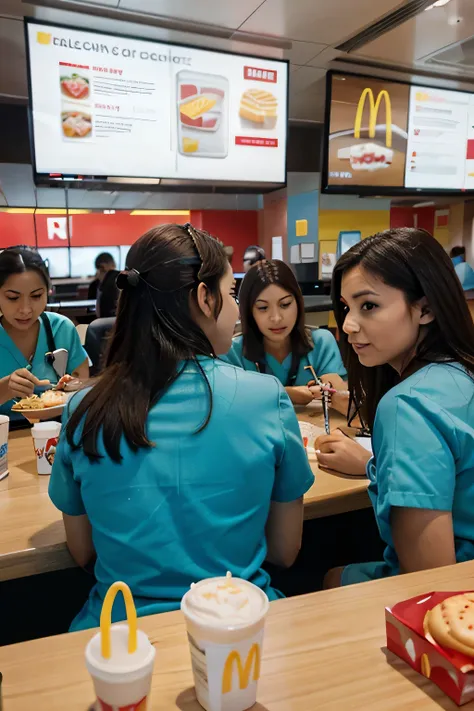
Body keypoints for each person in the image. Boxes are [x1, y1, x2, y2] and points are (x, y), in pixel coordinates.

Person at [49, 223, 314, 631]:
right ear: (204, 298)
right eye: (229, 295)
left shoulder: (84, 408)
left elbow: (82, 552)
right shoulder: (266, 398)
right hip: (239, 631)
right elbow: (285, 550)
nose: (234, 309)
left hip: (118, 637)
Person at [315, 228, 474, 587]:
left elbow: (428, 584)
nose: (349, 325)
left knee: (328, 575)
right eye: (345, 308)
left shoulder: (406, 405)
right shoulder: (462, 371)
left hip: (456, 602)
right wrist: (373, 467)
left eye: (368, 305)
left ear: (426, 309)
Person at [224, 259, 348, 411]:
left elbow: (343, 402)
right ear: (249, 312)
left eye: (285, 305)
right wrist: (288, 394)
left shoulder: (321, 343)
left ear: (298, 302)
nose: (276, 318)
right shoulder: (232, 352)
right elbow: (228, 402)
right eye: (263, 308)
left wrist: (333, 390)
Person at [0, 246, 89, 420]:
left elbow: (84, 386)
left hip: (58, 434)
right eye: (13, 297)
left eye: (36, 296)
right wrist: (4, 389)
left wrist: (72, 387)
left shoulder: (62, 329)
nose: (25, 310)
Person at [94, 252, 119, 318]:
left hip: (108, 323)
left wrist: (100, 284)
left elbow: (99, 314)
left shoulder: (104, 283)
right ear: (114, 264)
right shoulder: (123, 277)